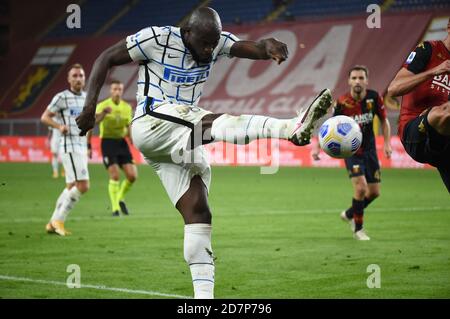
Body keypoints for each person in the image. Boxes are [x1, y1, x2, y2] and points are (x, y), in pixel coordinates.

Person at [76, 7, 332, 298]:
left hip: (177, 141)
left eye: (214, 43)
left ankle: (203, 301)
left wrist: (267, 47)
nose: (210, 49)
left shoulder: (216, 42)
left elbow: (249, 47)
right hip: (151, 123)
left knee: (199, 211)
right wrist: (88, 108)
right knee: (215, 121)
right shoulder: (156, 39)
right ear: (187, 33)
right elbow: (105, 58)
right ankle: (291, 129)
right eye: (205, 43)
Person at [312, 66, 392, 241]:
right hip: (351, 151)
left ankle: (350, 213)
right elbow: (329, 126)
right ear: (349, 81)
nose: (357, 81)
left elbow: (384, 121)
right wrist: (317, 147)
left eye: (361, 78)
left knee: (374, 192)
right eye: (354, 78)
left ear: (366, 80)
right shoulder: (342, 102)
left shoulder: (374, 97)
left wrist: (387, 143)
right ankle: (358, 229)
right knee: (361, 188)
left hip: (370, 151)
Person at [388, 18, 450, 193]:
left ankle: (438, 151)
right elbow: (393, 89)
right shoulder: (428, 50)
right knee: (444, 112)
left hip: (442, 135)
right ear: (448, 28)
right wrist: (434, 71)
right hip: (414, 132)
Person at [40, 63, 90, 236]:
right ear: (68, 79)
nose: (78, 79)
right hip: (69, 146)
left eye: (81, 75)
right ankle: (59, 220)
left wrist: (89, 144)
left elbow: (88, 124)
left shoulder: (87, 98)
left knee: (70, 186)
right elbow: (45, 117)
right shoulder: (61, 97)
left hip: (81, 146)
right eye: (75, 76)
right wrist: (59, 126)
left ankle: (51, 223)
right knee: (83, 186)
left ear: (85, 79)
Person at [93, 80, 137, 216]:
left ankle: (119, 198)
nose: (117, 91)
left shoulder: (127, 107)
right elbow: (95, 121)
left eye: (119, 89)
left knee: (132, 176)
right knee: (115, 175)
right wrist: (104, 113)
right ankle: (115, 208)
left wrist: (132, 139)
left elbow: (128, 125)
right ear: (110, 91)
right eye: (114, 89)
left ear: (122, 91)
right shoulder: (103, 106)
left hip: (121, 142)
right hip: (107, 143)